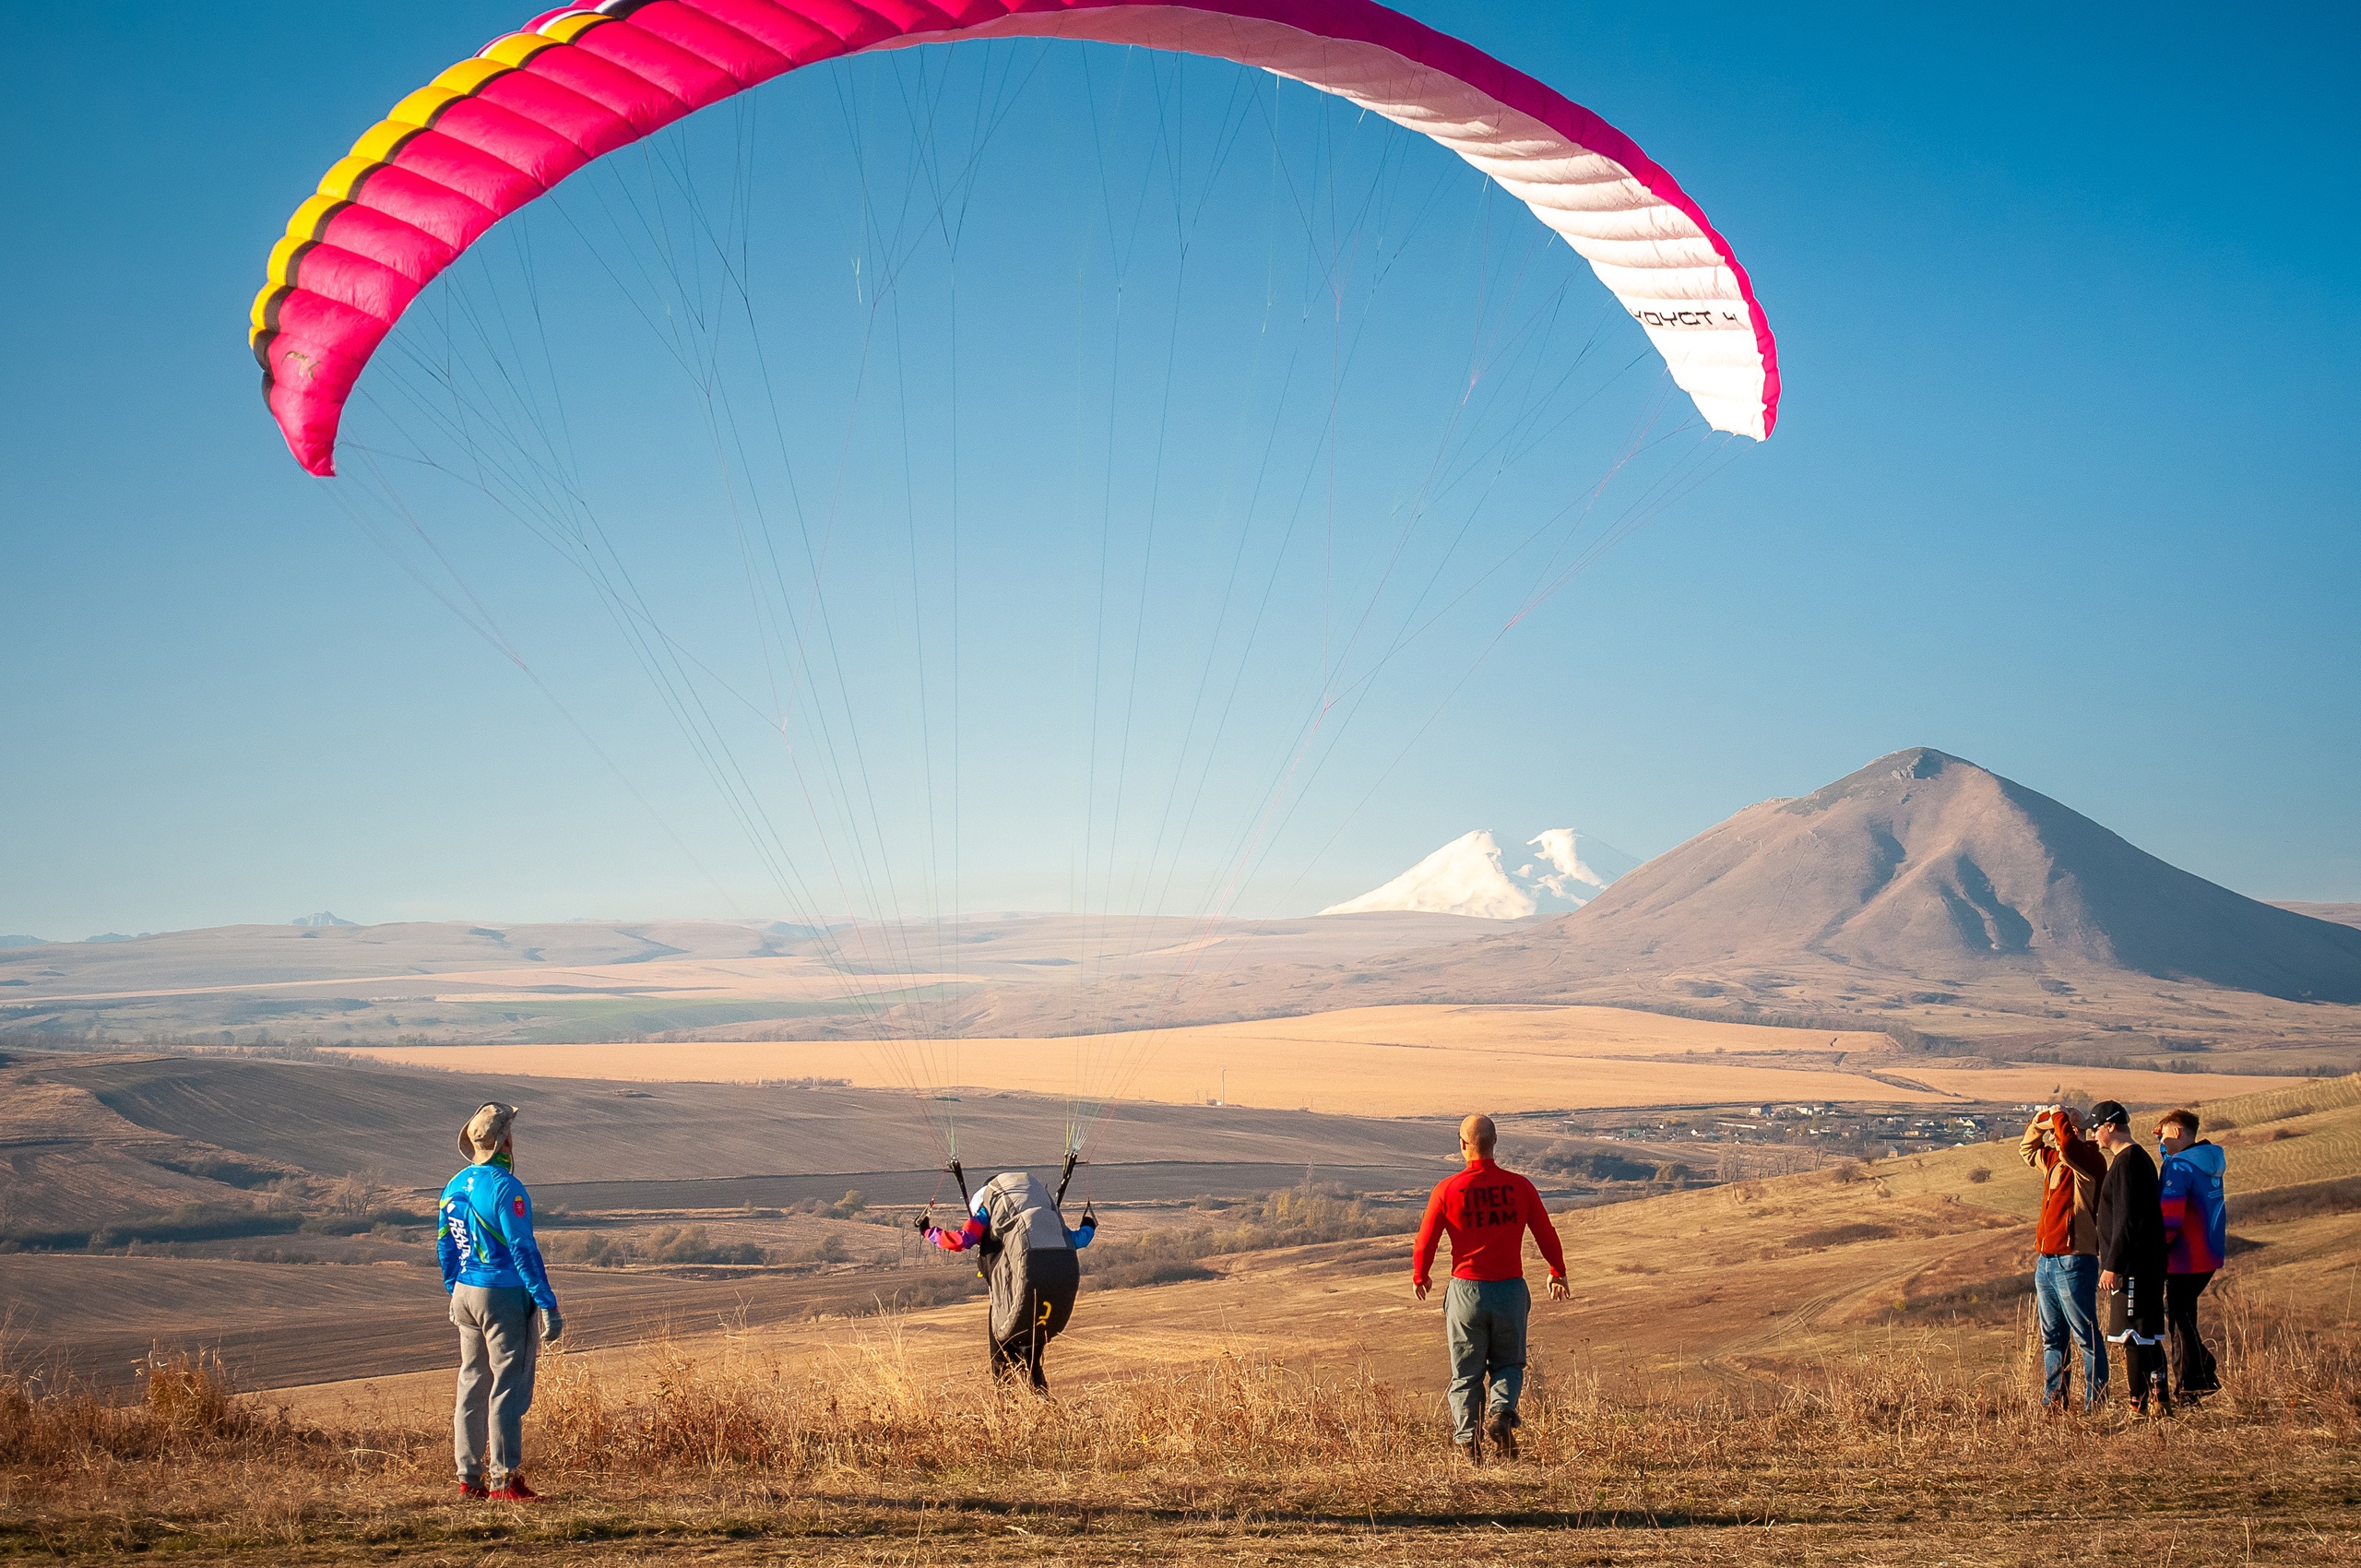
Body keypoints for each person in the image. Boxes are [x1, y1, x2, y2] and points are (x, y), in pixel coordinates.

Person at [1411, 1114, 1569, 1463]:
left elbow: (1425, 1242)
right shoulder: (1521, 1187)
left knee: (1465, 1374)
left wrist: (1420, 1275)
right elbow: (1546, 1233)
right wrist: (1557, 1271)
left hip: (1466, 1291)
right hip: (1510, 1290)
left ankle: (1469, 1443)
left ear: (1462, 1145)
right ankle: (1501, 1413)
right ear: (1495, 1143)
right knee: (1508, 1365)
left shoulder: (1447, 1190)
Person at [439, 1101, 562, 1500]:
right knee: (508, 1386)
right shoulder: (507, 1188)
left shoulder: (455, 1184)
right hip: (503, 1293)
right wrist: (547, 1303)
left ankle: (467, 1478)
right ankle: (504, 1480)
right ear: (506, 1139)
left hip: (465, 1292)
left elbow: (446, 1246)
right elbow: (523, 1248)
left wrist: (453, 1290)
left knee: (472, 1382)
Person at [921, 1170, 1096, 1392]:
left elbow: (961, 1240)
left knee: (1002, 1366)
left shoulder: (987, 1212)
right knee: (1032, 1368)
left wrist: (927, 1231)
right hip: (1043, 1298)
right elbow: (1081, 1238)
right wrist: (1089, 1222)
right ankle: (1043, 1411)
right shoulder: (1044, 1220)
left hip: (1010, 1302)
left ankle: (1010, 1415)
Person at [2018, 1102, 2108, 1410]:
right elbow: (2027, 1149)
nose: (2057, 1138)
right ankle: (2055, 1399)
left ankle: (2095, 1401)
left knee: (2086, 1336)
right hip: (2046, 1259)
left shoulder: (2091, 1161)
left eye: (2062, 1131)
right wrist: (2042, 1121)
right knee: (2052, 1337)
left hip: (2074, 1258)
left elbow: (2070, 1146)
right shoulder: (2055, 1159)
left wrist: (2059, 1116)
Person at [2089, 1099, 2170, 1417]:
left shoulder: (2127, 1162)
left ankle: (2138, 1406)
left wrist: (2113, 1266)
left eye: (2096, 1129)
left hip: (2134, 1267)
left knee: (2133, 1336)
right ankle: (2160, 1400)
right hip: (2144, 1264)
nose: (2094, 1136)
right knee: (2147, 1335)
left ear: (2111, 1126)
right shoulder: (2136, 1159)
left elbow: (2126, 1219)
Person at [2156, 1107, 2226, 1401]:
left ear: (2177, 1132)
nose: (2159, 1139)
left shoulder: (2180, 1167)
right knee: (2184, 1314)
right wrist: (2165, 1148)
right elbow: (2177, 1164)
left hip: (2183, 1257)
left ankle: (2193, 1382)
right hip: (2208, 1254)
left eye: (2163, 1134)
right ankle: (2199, 1377)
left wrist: (2156, 1250)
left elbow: (2170, 1217)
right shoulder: (2204, 1160)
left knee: (2178, 1318)